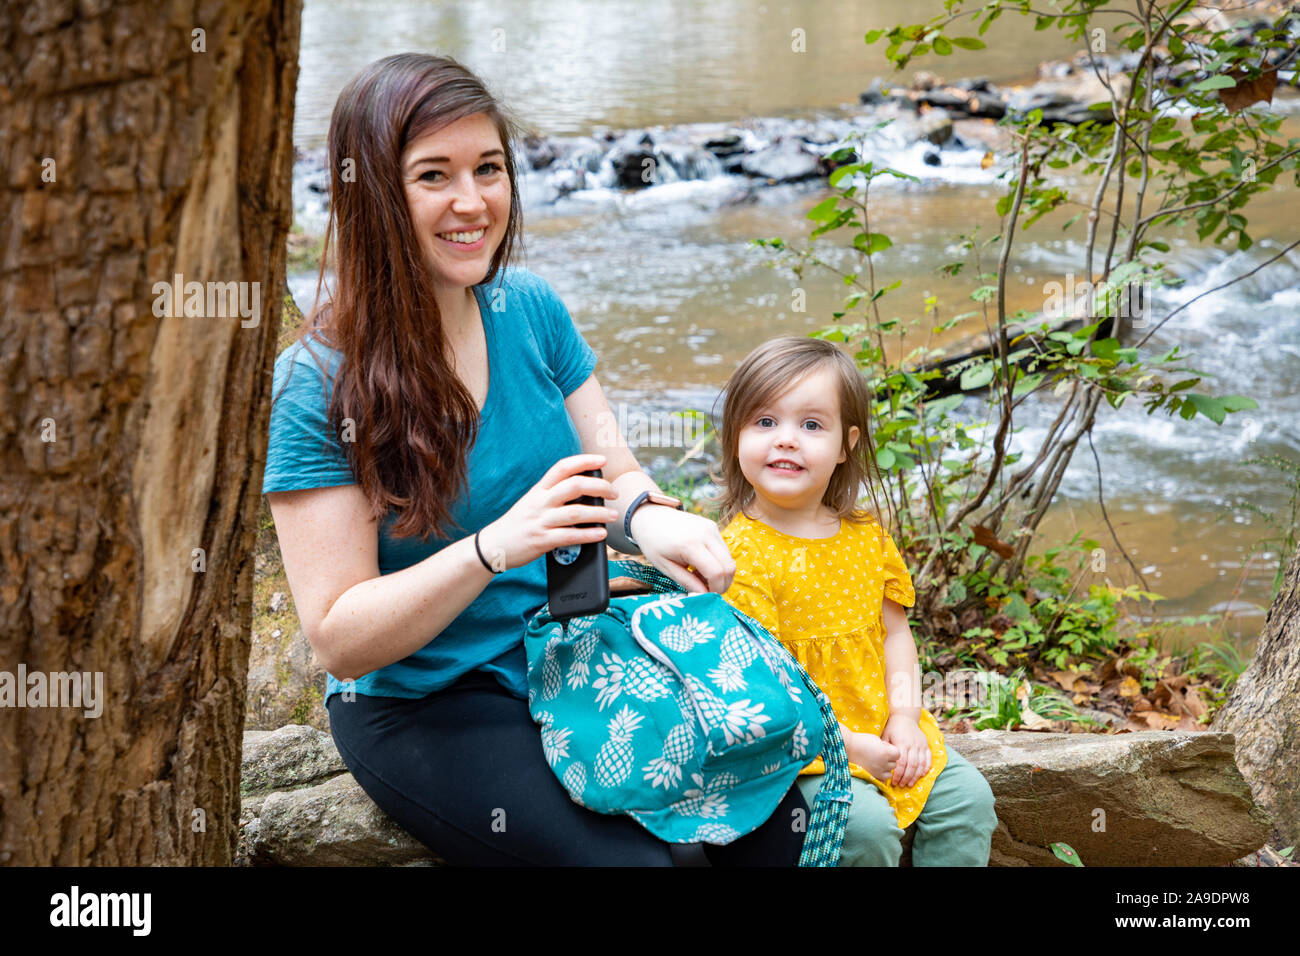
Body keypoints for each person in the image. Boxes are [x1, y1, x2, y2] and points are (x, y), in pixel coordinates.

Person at [261, 53, 810, 866]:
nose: (473, 202)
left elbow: (613, 464)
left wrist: (648, 520)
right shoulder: (314, 384)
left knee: (767, 824)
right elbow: (339, 638)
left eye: (489, 168)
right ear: (373, 192)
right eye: (433, 176)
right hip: (426, 703)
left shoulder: (531, 309)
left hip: (574, 650)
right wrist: (492, 549)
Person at [712, 336, 998, 866]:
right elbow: (761, 688)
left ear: (846, 445)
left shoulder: (866, 538)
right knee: (863, 828)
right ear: (735, 437)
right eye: (765, 422)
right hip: (799, 744)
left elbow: (895, 635)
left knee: (969, 801)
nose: (787, 441)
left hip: (882, 725)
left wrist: (907, 717)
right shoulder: (735, 555)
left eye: (812, 425)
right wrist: (846, 746)